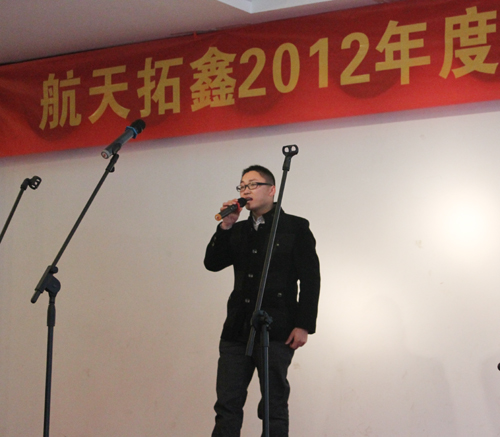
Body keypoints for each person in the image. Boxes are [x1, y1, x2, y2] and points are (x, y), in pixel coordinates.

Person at [204, 165, 321, 436]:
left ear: (271, 190)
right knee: (227, 404)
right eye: (242, 186)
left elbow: (310, 279)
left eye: (253, 184)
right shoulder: (238, 229)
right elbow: (212, 263)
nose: (246, 190)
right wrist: (226, 226)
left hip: (277, 329)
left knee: (273, 405)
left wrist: (304, 324)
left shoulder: (296, 227)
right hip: (237, 330)